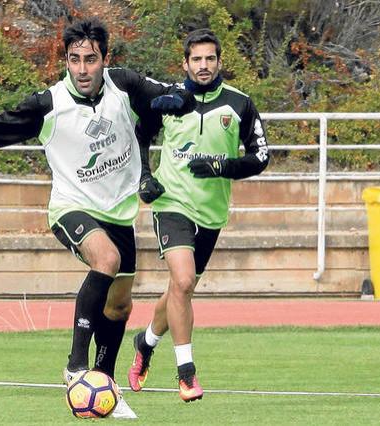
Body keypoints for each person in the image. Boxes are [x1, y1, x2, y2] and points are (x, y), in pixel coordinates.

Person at [0, 18, 194, 415]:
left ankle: (103, 383)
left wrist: (180, 99)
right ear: (66, 62)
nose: (83, 69)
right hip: (71, 207)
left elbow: (176, 94)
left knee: (121, 306)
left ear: (105, 60)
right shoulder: (49, 104)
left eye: (91, 60)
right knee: (105, 260)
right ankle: (76, 366)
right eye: (74, 60)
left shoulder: (124, 85)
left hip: (119, 214)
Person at [128, 29, 270, 402]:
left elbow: (261, 157)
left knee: (180, 288)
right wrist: (144, 177)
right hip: (171, 203)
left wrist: (223, 167)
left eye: (210, 59)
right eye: (197, 59)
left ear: (219, 61)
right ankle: (186, 373)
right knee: (185, 280)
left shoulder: (239, 104)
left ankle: (145, 342)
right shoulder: (168, 99)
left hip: (211, 215)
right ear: (186, 63)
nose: (203, 66)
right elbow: (138, 137)